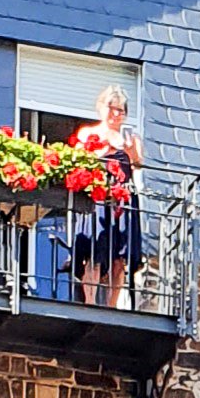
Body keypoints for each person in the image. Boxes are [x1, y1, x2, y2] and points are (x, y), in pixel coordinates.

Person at [69, 84, 144, 308]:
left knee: (119, 258)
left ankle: (112, 305)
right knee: (94, 252)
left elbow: (138, 163)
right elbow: (79, 160)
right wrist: (101, 152)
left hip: (123, 200)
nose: (116, 114)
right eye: (113, 108)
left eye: (121, 110)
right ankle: (90, 301)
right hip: (98, 197)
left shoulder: (131, 138)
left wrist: (130, 152)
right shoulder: (88, 133)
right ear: (102, 108)